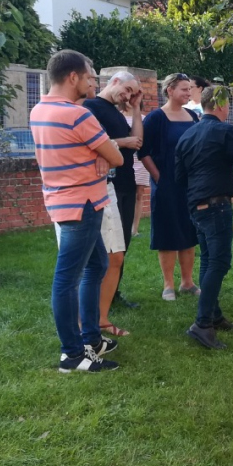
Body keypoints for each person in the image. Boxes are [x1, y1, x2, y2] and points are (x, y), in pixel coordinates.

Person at [30, 50, 124, 373]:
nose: (92, 82)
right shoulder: (78, 115)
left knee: (97, 264)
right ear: (73, 77)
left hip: (64, 201)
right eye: (88, 76)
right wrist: (103, 155)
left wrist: (100, 155)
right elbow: (117, 157)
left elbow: (100, 154)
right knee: (67, 279)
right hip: (82, 204)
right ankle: (72, 355)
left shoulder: (39, 110)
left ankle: (91, 338)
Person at [175, 85, 233, 349]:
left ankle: (214, 315)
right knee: (218, 262)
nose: (229, 108)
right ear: (219, 104)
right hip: (216, 206)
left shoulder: (187, 135)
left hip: (196, 206)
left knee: (208, 260)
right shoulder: (225, 131)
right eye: (228, 103)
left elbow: (179, 177)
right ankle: (202, 324)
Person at [81, 69, 143, 336]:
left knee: (120, 245)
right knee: (104, 251)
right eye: (127, 90)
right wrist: (123, 142)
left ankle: (112, 294)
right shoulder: (91, 107)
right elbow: (91, 142)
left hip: (125, 182)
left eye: (132, 93)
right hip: (106, 184)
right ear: (114, 81)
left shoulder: (117, 112)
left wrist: (136, 109)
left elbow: (137, 141)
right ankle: (94, 309)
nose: (127, 96)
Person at [139, 73, 200, 300]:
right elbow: (143, 152)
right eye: (184, 89)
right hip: (166, 185)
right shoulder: (155, 118)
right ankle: (168, 285)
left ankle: (187, 282)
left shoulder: (193, 116)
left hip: (190, 185)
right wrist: (159, 178)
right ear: (170, 90)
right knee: (167, 232)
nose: (188, 93)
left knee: (189, 231)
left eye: (189, 89)